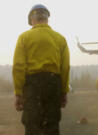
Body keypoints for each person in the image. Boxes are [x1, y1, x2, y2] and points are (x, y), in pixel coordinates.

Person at [13, 4, 70, 135]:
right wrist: (64, 91)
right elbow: (65, 67)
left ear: (32, 19)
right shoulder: (60, 39)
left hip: (32, 86)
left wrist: (18, 93)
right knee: (52, 124)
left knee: (32, 124)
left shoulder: (24, 37)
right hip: (53, 84)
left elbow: (18, 66)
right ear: (47, 18)